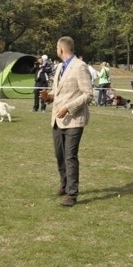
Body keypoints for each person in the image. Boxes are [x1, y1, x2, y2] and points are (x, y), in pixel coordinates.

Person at [48, 36, 93, 207]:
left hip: (74, 120)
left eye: (56, 48)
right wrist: (49, 97)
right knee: (59, 155)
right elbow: (59, 92)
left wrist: (68, 108)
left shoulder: (80, 67)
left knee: (70, 156)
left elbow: (88, 94)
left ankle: (72, 194)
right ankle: (64, 184)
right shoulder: (59, 67)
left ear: (61, 49)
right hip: (57, 121)